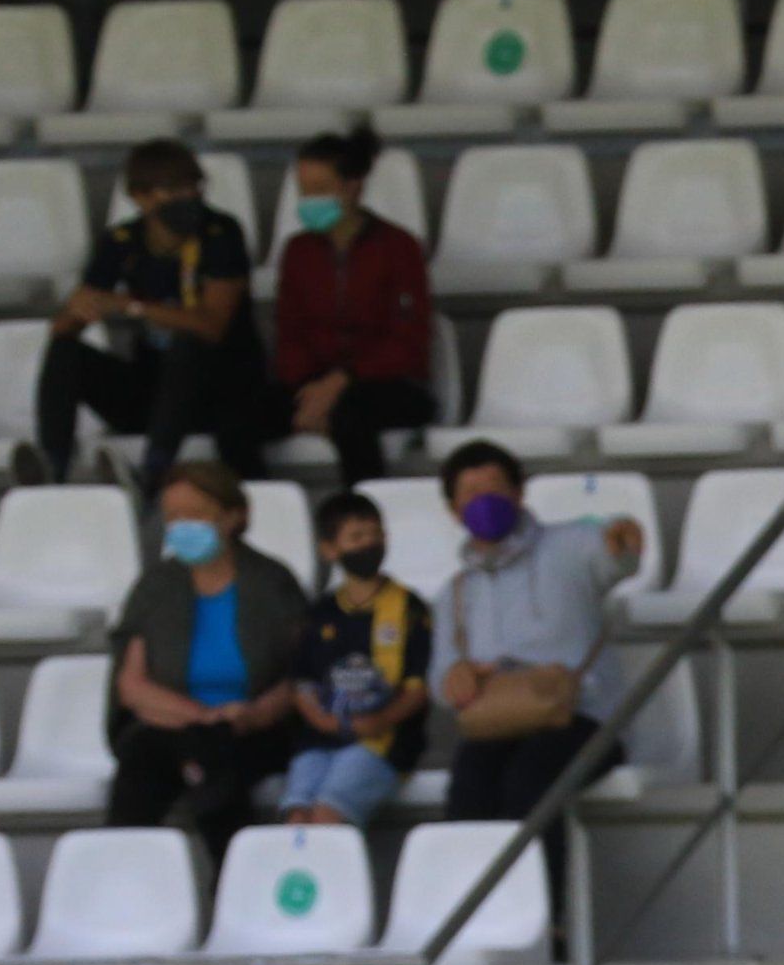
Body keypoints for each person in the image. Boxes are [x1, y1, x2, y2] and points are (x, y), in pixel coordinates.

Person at [25, 138, 267, 495]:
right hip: (152, 388)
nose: (187, 197)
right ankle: (53, 466)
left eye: (192, 186)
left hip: (219, 389)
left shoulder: (220, 233)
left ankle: (155, 469)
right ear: (139, 196)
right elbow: (74, 316)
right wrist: (75, 313)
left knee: (187, 343)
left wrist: (130, 306)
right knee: (66, 351)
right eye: (172, 190)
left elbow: (212, 327)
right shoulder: (122, 240)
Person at [438, 442, 647, 824]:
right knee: (468, 791)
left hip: (583, 719)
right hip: (500, 722)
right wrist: (456, 677)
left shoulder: (568, 545)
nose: (484, 500)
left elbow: (613, 551)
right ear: (454, 510)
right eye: (471, 493)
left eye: (495, 487)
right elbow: (442, 677)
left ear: (519, 493)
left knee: (529, 783)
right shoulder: (454, 592)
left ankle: (543, 886)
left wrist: (623, 534)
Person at [108, 458, 306, 852]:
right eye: (173, 517)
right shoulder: (155, 587)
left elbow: (301, 675)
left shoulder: (272, 583)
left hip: (255, 728)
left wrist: (251, 716)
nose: (183, 526)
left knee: (219, 758)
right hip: (173, 725)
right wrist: (201, 718)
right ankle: (121, 876)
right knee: (142, 763)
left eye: (196, 515)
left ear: (233, 516)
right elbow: (132, 686)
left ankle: (232, 883)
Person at [271, 127, 434, 488]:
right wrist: (309, 390)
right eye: (304, 190)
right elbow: (289, 331)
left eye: (320, 190)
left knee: (351, 415)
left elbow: (408, 341)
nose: (309, 199)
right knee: (239, 419)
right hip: (310, 385)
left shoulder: (398, 247)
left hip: (386, 385)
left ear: (353, 186)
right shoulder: (297, 251)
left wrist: (343, 379)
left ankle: (362, 516)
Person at [272, 490, 431, 827]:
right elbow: (302, 683)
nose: (369, 544)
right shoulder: (319, 613)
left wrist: (380, 720)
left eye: (376, 534)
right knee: (296, 817)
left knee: (327, 817)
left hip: (383, 741)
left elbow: (419, 686)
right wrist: (324, 721)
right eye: (356, 537)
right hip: (317, 741)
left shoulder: (408, 607)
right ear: (329, 549)